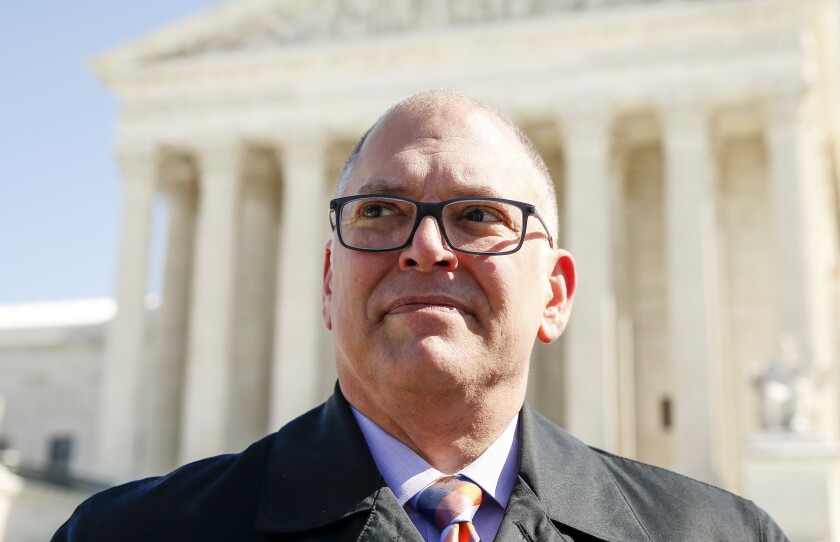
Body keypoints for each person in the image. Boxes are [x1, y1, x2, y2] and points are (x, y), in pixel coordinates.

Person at [53, 91, 788, 541]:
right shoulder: (129, 534)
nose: (426, 249)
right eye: (379, 212)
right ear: (327, 282)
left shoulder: (720, 535)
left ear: (556, 294)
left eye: (476, 216)